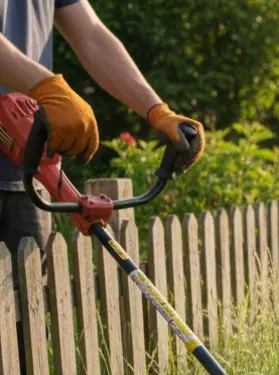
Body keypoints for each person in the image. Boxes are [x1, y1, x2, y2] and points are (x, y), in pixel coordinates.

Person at [0, 0, 204, 258]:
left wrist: (157, 111)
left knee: (30, 294)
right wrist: (46, 87)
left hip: (29, 173)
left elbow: (91, 35)